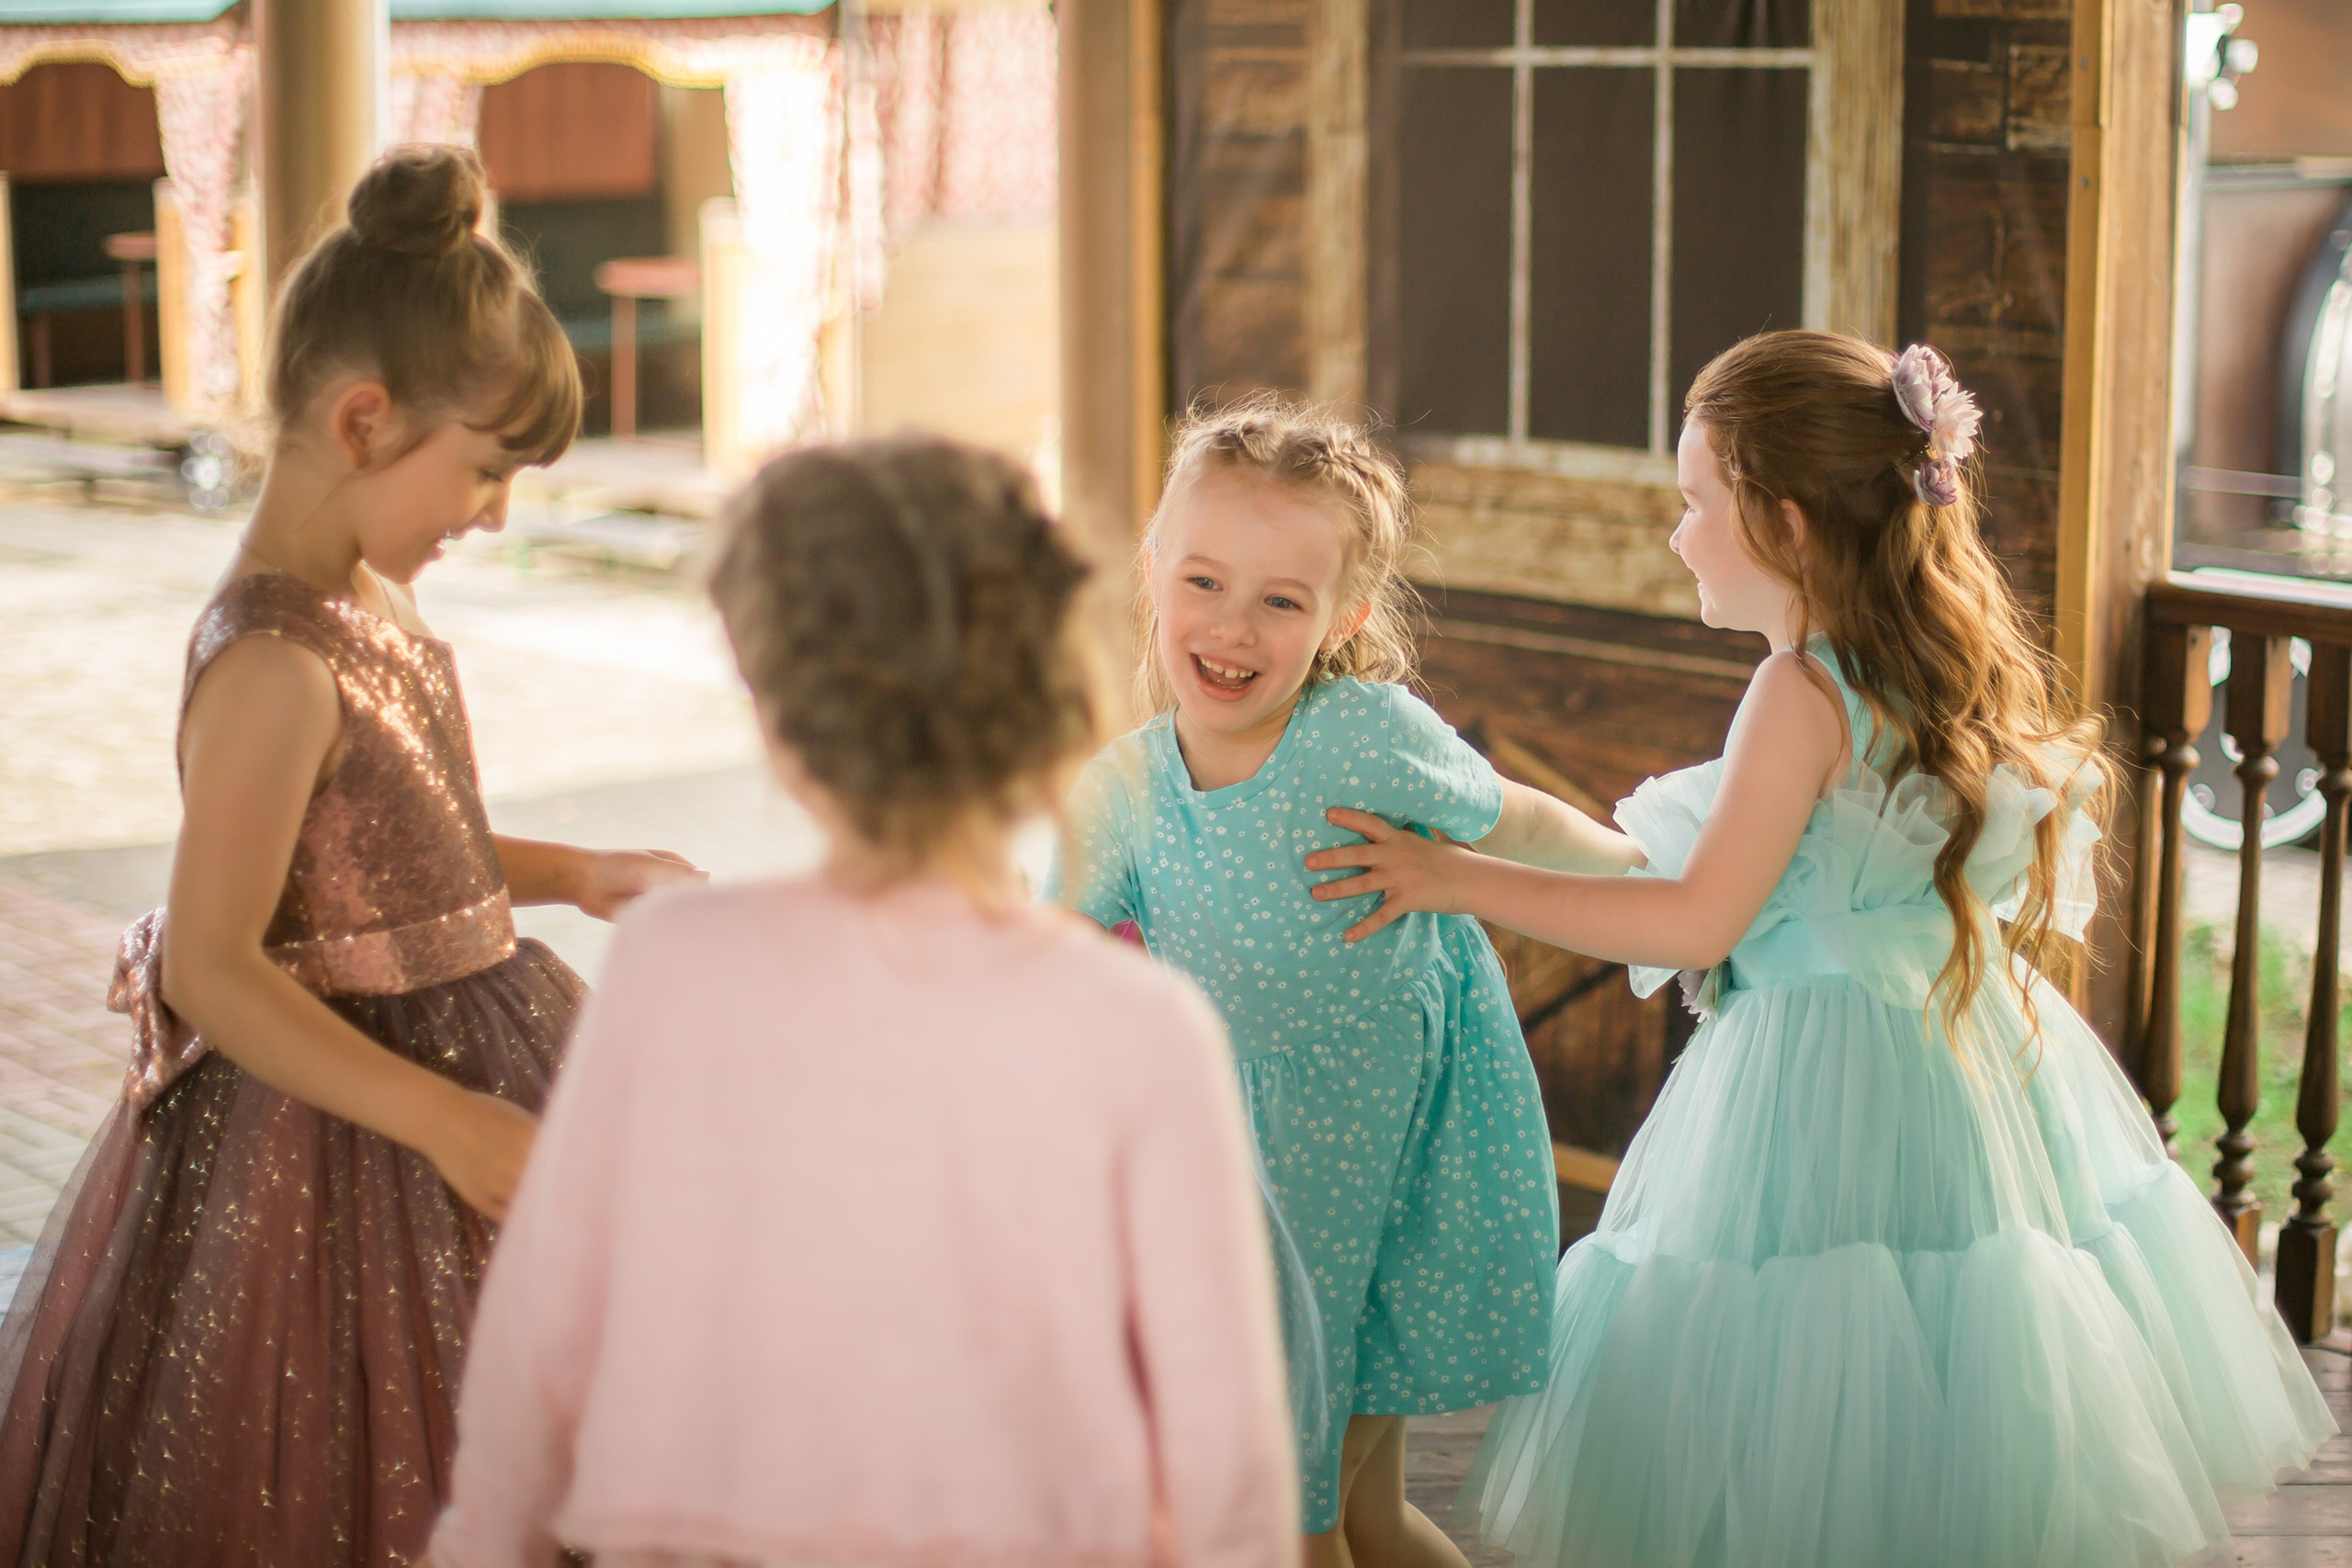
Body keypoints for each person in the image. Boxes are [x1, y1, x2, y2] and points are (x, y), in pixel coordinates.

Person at [1305, 331, 2337, 1567]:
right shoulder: (1920, 673)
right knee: (1945, 1407)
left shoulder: (1799, 694)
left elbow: (1696, 919)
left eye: (1696, 504)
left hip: (1815, 1088)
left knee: (1801, 1405)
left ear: (1786, 525)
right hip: (1959, 1069)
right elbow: (1735, 872)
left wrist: (1452, 878)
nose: (1678, 534)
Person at [0, 144, 700, 1566]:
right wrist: (445, 1121)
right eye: (487, 469)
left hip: (470, 1057)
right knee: (363, 1446)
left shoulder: (366, 591)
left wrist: (578, 870)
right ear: (368, 419)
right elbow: (213, 959)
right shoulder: (267, 660)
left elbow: (396, 845)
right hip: (334, 1144)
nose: (496, 513)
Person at [425, 437, 1297, 1568]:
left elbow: (546, 1329)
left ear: (785, 726)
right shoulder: (1140, 1031)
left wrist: (482, 1551)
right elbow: (1225, 1450)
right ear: (1046, 693)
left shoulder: (676, 966)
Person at [1048, 396, 1635, 1568]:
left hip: (1401, 1159)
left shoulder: (1366, 736)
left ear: (1342, 618)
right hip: (1247, 1192)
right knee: (1338, 1506)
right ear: (1152, 573)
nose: (1232, 626)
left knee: (1303, 1514)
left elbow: (1513, 816)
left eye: (1281, 600)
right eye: (1203, 582)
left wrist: (1644, 874)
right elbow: (1040, 957)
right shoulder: (1117, 792)